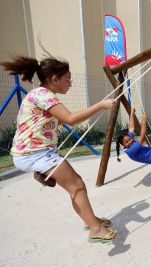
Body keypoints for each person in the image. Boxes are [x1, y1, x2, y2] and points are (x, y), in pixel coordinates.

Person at [1, 56, 117, 243]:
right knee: (77, 185)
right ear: (54, 79)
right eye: (67, 79)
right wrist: (101, 105)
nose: (70, 83)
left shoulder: (39, 95)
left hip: (34, 152)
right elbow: (70, 118)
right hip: (34, 153)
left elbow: (59, 120)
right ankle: (95, 230)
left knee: (76, 186)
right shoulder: (43, 94)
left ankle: (91, 221)